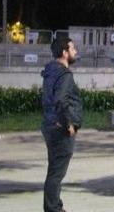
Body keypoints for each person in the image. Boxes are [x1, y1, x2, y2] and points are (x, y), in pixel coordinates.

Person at [40, 37, 83, 212]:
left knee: (54, 171)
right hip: (60, 128)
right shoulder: (64, 74)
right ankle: (53, 209)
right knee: (56, 174)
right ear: (64, 53)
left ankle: (54, 206)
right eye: (73, 48)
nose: (76, 51)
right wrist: (68, 124)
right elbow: (60, 101)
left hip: (50, 125)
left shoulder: (51, 72)